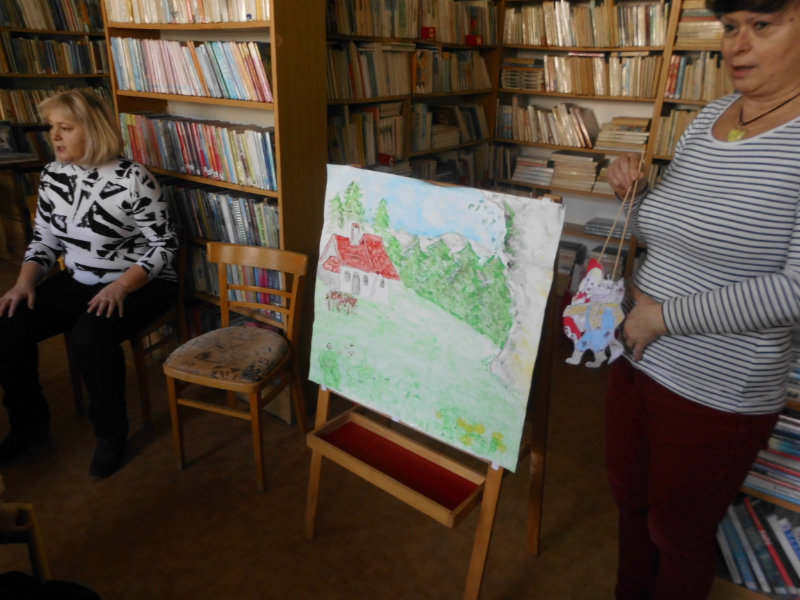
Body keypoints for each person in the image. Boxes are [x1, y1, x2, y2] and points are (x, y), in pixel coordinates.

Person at [604, 0, 800, 596]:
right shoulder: (710, 116)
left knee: (677, 534)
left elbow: (795, 290)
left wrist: (662, 318)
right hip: (637, 359)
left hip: (718, 390)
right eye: (730, 27)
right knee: (631, 508)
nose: (737, 44)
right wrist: (634, 194)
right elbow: (667, 230)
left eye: (761, 26)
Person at [0, 89, 178, 479]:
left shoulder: (133, 178)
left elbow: (165, 246)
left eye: (65, 128)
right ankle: (29, 424)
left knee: (90, 335)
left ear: (93, 130)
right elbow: (45, 239)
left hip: (141, 282)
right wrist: (24, 282)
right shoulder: (53, 174)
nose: (54, 136)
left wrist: (121, 287)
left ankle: (111, 435)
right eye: (52, 127)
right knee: (9, 321)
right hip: (81, 276)